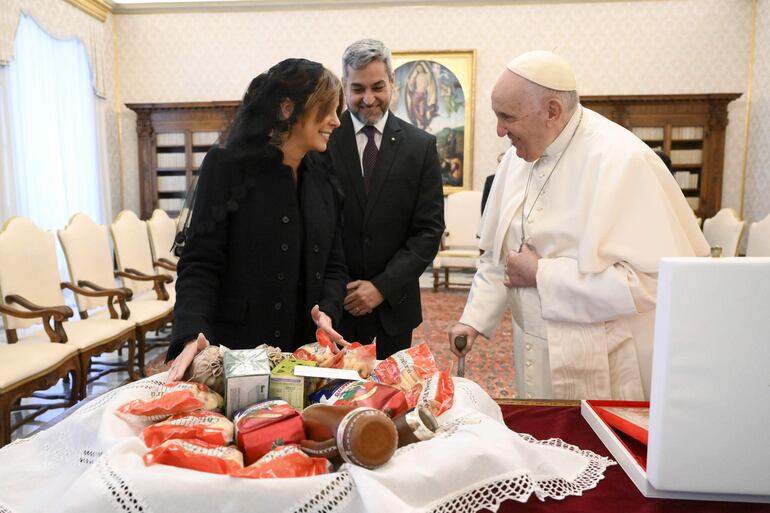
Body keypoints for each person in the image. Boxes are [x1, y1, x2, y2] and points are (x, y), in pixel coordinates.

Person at [448, 51, 709, 400]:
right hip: (531, 347)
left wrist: (542, 273)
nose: (499, 131)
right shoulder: (517, 157)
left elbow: (650, 285)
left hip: (599, 357)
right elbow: (500, 258)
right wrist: (474, 319)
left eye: (507, 117)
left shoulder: (624, 160)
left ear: (552, 111)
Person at [166, 59, 349, 381]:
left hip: (304, 352)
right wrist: (192, 332)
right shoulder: (226, 166)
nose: (336, 121)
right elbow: (200, 263)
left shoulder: (323, 173)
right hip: (237, 352)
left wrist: (328, 311)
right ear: (287, 107)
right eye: (328, 109)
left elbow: (334, 262)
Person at [323, 39, 445, 360]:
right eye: (357, 88)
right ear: (344, 86)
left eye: (378, 86)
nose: (368, 98)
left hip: (393, 306)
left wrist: (380, 287)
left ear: (393, 82)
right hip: (334, 306)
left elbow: (428, 231)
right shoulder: (322, 142)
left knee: (391, 399)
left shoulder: (420, 147)